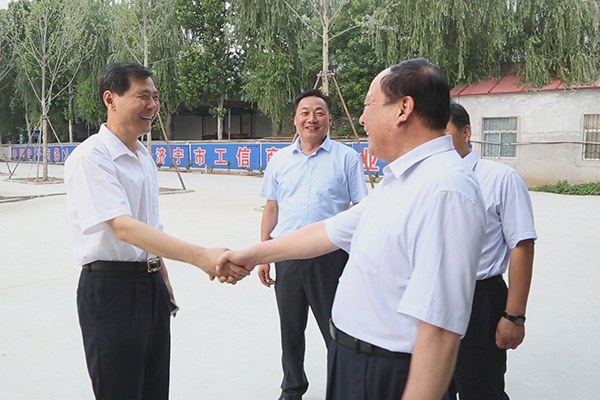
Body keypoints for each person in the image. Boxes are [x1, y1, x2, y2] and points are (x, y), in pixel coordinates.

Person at [218, 58, 487, 400]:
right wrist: (250, 254)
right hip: (356, 363)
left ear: (403, 109)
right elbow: (328, 230)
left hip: (391, 371)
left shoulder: (445, 190)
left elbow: (440, 329)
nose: (361, 118)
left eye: (369, 105)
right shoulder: (402, 180)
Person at [64, 62, 249, 400]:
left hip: (148, 286)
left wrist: (160, 275)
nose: (152, 106)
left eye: (156, 97)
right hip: (111, 289)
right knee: (120, 390)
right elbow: (123, 227)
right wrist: (201, 256)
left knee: (153, 388)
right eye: (142, 96)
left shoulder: (143, 156)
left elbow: (149, 226)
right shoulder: (91, 157)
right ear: (111, 99)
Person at [258, 89, 368, 400]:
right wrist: (265, 253)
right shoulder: (279, 160)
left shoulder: (346, 158)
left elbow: (361, 208)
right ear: (295, 119)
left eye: (319, 112)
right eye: (305, 112)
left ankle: (343, 389)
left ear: (330, 120)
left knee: (336, 330)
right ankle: (292, 388)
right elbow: (272, 209)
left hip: (329, 256)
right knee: (290, 329)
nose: (311, 118)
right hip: (287, 254)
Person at [445, 102, 537, 400]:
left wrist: (514, 316)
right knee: (433, 386)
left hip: (480, 300)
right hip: (433, 296)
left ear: (466, 132)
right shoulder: (424, 180)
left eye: (444, 132)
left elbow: (521, 245)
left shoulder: (500, 178)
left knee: (481, 390)